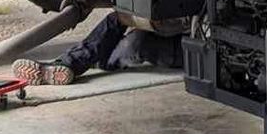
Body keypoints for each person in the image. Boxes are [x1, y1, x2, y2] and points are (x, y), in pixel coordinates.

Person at [13, 11, 173, 85]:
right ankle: (68, 63)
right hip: (180, 44)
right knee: (122, 36)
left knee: (127, 31)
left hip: (179, 47)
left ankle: (67, 63)